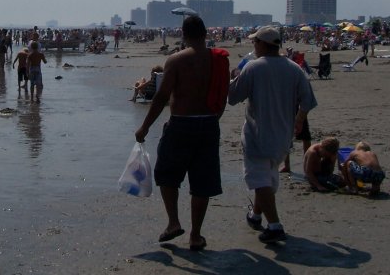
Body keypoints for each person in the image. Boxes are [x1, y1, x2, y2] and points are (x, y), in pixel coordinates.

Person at [134, 16, 228, 252]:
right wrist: (213, 119)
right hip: (209, 124)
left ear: (183, 34)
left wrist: (145, 127)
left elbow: (162, 96)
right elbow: (223, 93)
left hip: (181, 124)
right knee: (202, 182)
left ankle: (174, 222)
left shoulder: (176, 60)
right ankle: (195, 235)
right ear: (205, 33)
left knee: (166, 173)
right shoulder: (218, 59)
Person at [228, 25, 317, 243]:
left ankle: (275, 226)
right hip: (283, 135)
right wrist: (299, 120)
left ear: (262, 44)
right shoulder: (294, 68)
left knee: (259, 179)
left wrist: (234, 77)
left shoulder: (253, 67)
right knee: (267, 176)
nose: (253, 45)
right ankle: (256, 215)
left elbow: (233, 97)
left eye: (255, 42)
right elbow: (307, 101)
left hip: (258, 134)